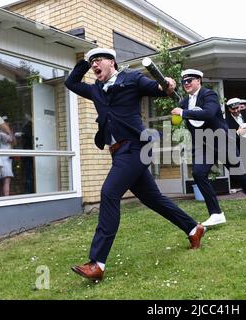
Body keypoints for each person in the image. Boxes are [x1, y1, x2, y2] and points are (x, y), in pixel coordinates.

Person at [64, 48, 205, 282]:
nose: (94, 64)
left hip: (136, 147)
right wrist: (86, 62)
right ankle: (193, 228)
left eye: (98, 60)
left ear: (112, 62)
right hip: (119, 152)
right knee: (152, 199)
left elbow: (158, 88)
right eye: (92, 62)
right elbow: (71, 82)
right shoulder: (96, 89)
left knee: (109, 193)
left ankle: (97, 263)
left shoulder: (132, 78)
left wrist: (166, 85)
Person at [171, 69, 246, 227]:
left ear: (198, 81)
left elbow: (208, 113)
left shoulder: (209, 95)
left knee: (239, 174)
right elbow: (180, 119)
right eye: (184, 82)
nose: (186, 84)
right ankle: (216, 213)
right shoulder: (184, 103)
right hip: (202, 143)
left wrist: (183, 113)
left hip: (220, 139)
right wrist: (176, 116)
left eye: (190, 80)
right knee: (198, 173)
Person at [0, 117, 16, 197]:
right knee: (6, 179)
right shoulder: (0, 133)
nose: (7, 124)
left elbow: (14, 142)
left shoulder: (2, 133)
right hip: (3, 159)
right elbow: (12, 141)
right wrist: (10, 132)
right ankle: (6, 198)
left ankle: (4, 197)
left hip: (6, 158)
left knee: (4, 180)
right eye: (5, 123)